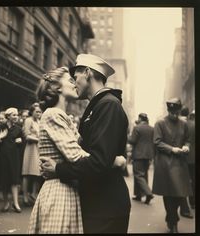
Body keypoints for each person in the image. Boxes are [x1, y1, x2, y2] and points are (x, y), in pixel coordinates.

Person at [41, 54, 131, 233]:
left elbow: (99, 162)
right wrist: (117, 161)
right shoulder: (97, 107)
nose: (75, 83)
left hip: (105, 207)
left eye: (76, 77)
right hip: (96, 203)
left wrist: (59, 169)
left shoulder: (107, 105)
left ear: (87, 73)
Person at [152, 98, 192, 233]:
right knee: (169, 195)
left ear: (179, 111)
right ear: (168, 110)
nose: (174, 115)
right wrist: (172, 149)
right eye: (172, 112)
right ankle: (173, 222)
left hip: (179, 164)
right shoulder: (160, 123)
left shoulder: (184, 124)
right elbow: (157, 142)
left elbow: (187, 139)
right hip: (165, 164)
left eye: (176, 112)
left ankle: (171, 219)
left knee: (179, 194)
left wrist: (187, 147)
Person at [0, 107, 23, 213]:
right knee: (4, 179)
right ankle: (6, 202)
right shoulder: (0, 128)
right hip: (2, 157)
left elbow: (22, 143)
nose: (16, 117)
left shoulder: (19, 129)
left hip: (14, 157)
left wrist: (20, 141)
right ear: (8, 116)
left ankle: (16, 203)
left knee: (14, 180)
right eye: (14, 115)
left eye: (17, 115)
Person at [128, 113, 154, 204]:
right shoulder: (151, 128)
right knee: (144, 175)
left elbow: (132, 140)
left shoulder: (137, 128)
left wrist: (129, 136)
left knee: (138, 175)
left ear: (140, 118)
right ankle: (139, 195)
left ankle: (148, 193)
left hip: (138, 155)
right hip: (148, 155)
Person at [21, 103, 42, 206]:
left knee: (37, 172)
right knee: (27, 173)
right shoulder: (28, 120)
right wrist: (38, 139)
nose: (39, 113)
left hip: (38, 149)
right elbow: (27, 136)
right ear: (32, 111)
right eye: (37, 111)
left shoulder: (39, 121)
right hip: (31, 148)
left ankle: (33, 193)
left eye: (40, 112)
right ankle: (25, 196)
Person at [179, 106, 194, 218]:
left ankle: (185, 207)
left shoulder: (180, 124)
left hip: (182, 157)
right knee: (193, 180)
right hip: (193, 158)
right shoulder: (193, 124)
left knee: (182, 182)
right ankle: (193, 202)